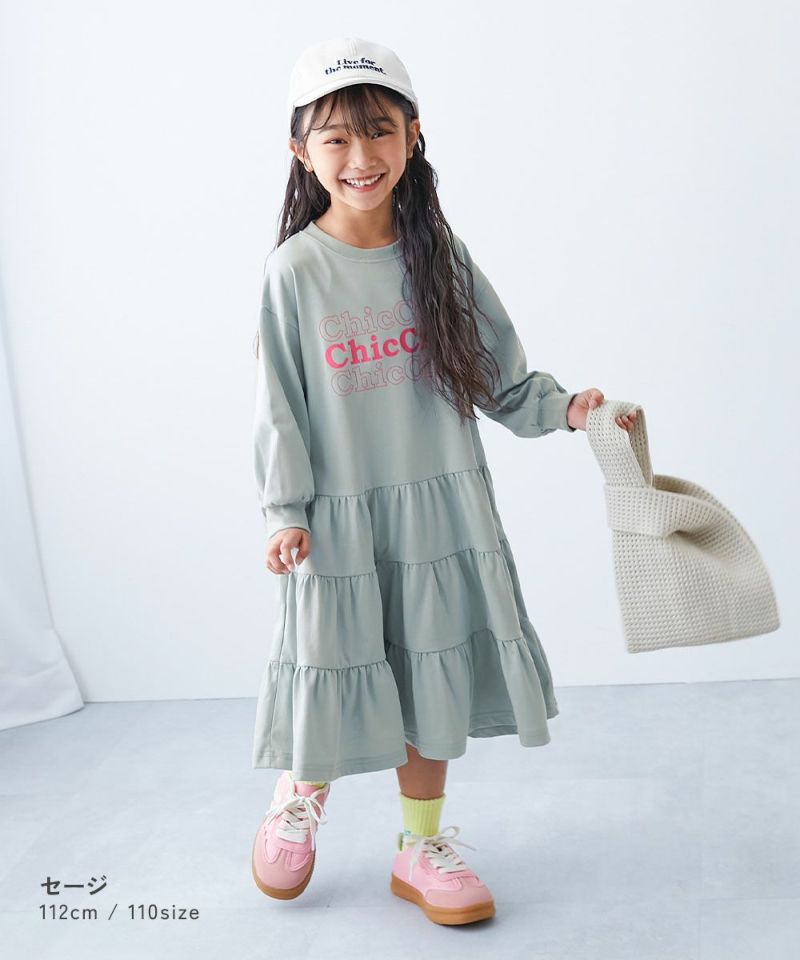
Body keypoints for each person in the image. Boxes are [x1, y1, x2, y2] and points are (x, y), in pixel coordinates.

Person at [250, 37, 637, 925]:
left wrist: (566, 409)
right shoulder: (294, 271)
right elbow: (279, 408)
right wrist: (285, 511)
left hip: (438, 506)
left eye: (379, 131)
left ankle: (418, 845)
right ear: (301, 151)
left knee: (429, 677)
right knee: (332, 661)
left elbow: (495, 373)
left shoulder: (438, 255)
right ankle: (300, 796)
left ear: (414, 135)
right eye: (336, 138)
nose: (361, 156)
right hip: (337, 518)